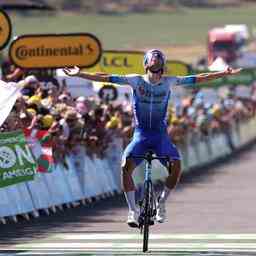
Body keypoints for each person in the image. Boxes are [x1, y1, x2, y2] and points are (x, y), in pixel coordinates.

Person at [63, 49, 241, 227]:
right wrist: (81, 74)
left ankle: (162, 202)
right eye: (152, 66)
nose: (156, 71)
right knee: (125, 168)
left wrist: (222, 74)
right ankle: (133, 210)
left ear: (163, 67)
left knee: (177, 167)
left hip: (160, 136)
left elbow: (198, 78)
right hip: (141, 135)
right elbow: (106, 77)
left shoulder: (169, 81)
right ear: (146, 65)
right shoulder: (135, 80)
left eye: (159, 66)